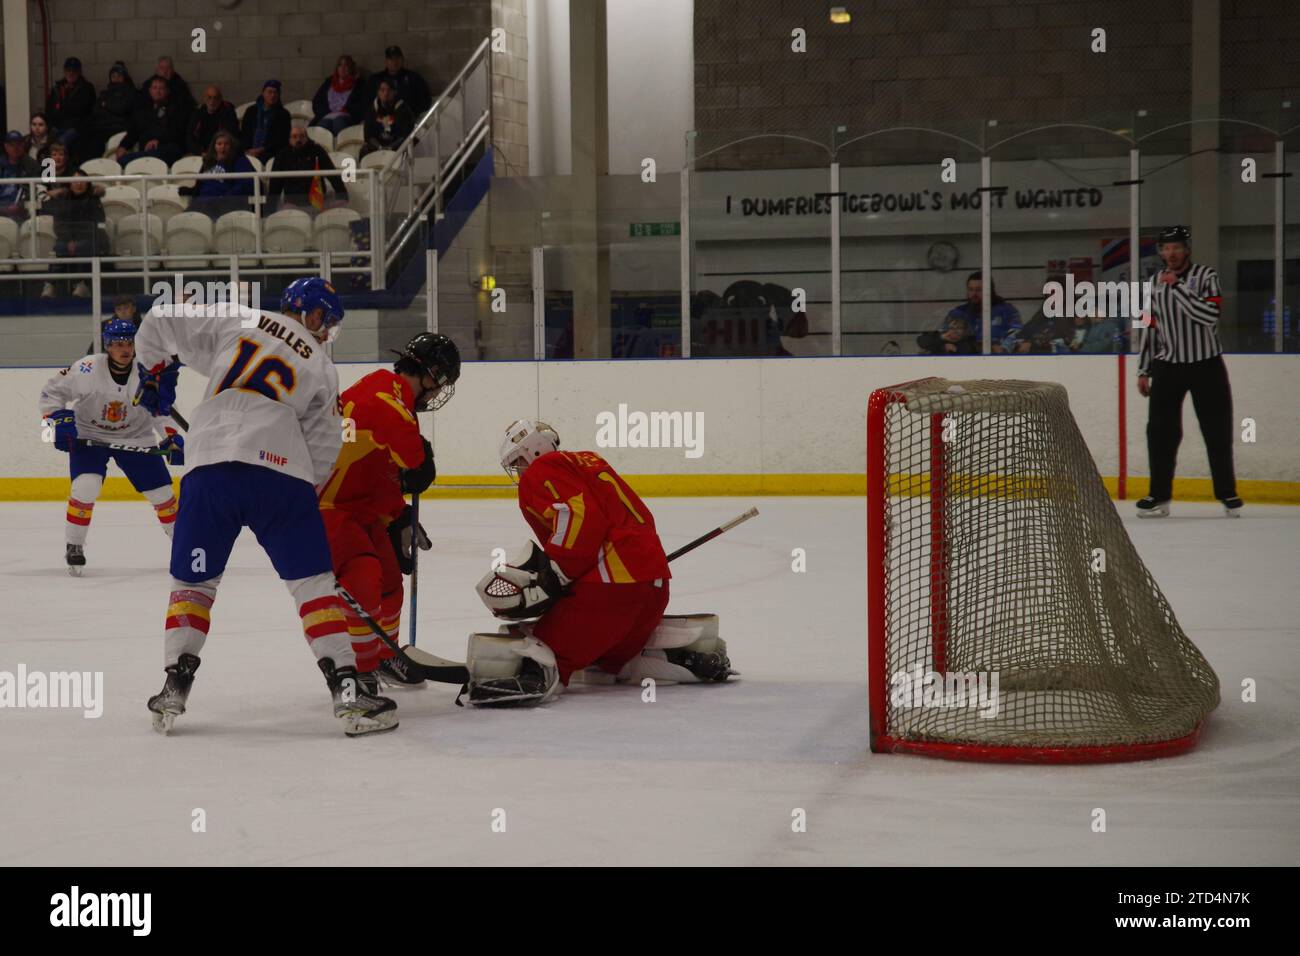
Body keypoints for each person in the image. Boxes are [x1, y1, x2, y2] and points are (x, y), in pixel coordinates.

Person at [134, 276, 398, 736]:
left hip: (208, 465)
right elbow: (323, 445)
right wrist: (302, 499)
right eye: (327, 322)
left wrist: (155, 371)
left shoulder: (241, 318)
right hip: (281, 473)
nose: (325, 331)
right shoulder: (321, 363)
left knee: (192, 583)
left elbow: (159, 320)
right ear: (313, 314)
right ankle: (348, 693)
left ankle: (174, 684)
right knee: (313, 585)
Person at [465, 421, 734, 706]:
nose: (519, 470)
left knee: (541, 646)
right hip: (652, 590)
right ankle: (668, 656)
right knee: (605, 660)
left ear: (534, 450)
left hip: (611, 591)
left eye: (519, 460)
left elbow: (579, 515)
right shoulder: (589, 462)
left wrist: (558, 571)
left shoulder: (545, 468)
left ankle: (535, 675)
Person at [318, 332, 460, 692]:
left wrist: (396, 515)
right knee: (364, 582)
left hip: (361, 510)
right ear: (431, 376)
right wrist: (416, 461)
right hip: (329, 508)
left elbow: (380, 470)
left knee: (389, 586)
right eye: (441, 383)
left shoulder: (393, 397)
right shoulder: (385, 394)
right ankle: (358, 668)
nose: (438, 392)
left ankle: (384, 655)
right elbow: (409, 463)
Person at [37, 319, 182, 575]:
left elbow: (160, 411)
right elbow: (50, 395)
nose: (124, 349)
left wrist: (171, 436)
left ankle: (185, 547)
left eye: (129, 343)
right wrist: (54, 428)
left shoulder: (148, 371)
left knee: (162, 495)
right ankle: (75, 545)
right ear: (107, 346)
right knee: (86, 486)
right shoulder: (87, 368)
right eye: (117, 344)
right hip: (89, 434)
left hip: (135, 436)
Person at [1136, 225, 1241, 518]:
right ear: (1160, 252)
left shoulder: (1206, 276)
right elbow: (1148, 327)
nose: (1171, 253)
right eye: (1166, 248)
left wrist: (1178, 287)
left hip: (1206, 364)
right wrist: (1144, 369)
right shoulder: (1153, 283)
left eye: (1176, 247)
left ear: (1187, 249)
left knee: (1217, 430)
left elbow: (1209, 316)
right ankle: (1159, 496)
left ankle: (1227, 493)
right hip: (1168, 365)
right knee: (1160, 433)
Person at [43, 169, 108, 298]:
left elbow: (98, 223)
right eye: (75, 181)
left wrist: (76, 241)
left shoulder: (94, 200)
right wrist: (69, 240)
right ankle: (50, 284)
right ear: (70, 184)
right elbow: (59, 225)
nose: (79, 184)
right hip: (67, 239)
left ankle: (81, 284)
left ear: (87, 183)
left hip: (91, 238)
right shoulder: (63, 201)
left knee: (82, 247)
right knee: (60, 247)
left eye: (82, 181)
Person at [268, 125, 348, 211]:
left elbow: (332, 174)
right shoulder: (282, 155)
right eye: (294, 137)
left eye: (301, 136)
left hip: (318, 202)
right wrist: (270, 209)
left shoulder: (317, 150)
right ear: (289, 139)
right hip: (292, 204)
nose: (298, 140)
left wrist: (343, 197)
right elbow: (275, 184)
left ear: (307, 137)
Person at [179, 130, 255, 218]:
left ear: (231, 147)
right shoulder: (208, 162)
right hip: (201, 202)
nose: (223, 147)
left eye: (226, 144)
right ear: (214, 146)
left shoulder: (239, 160)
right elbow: (200, 185)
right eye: (219, 144)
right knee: (182, 220)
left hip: (223, 205)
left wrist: (224, 198)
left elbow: (246, 184)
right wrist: (190, 191)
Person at [116, 76, 187, 167]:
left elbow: (177, 131)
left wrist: (158, 140)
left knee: (153, 156)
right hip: (146, 152)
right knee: (122, 160)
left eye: (161, 88)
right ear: (150, 90)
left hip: (168, 149)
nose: (158, 91)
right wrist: (123, 146)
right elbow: (133, 131)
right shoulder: (143, 110)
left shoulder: (176, 109)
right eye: (155, 88)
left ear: (167, 91)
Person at [45, 57, 95, 161]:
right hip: (57, 126)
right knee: (49, 146)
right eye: (68, 70)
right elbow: (49, 110)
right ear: (64, 71)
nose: (71, 74)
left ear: (79, 72)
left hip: (76, 128)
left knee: (61, 145)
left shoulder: (86, 88)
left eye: (74, 71)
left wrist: (64, 102)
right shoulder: (57, 89)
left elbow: (83, 111)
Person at [85, 61, 136, 160]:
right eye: (113, 75)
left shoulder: (131, 92)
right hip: (103, 127)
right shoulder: (105, 93)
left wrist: (107, 105)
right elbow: (96, 110)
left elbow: (122, 108)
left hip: (120, 127)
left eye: (119, 75)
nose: (116, 78)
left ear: (124, 76)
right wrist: (111, 107)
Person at [364, 46, 432, 118]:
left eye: (398, 58)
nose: (395, 62)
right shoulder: (375, 79)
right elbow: (367, 102)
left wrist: (411, 112)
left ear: (402, 60)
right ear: (386, 61)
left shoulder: (413, 78)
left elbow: (425, 100)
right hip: (382, 121)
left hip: (408, 121)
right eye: (391, 59)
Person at [311, 55, 366, 135]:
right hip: (328, 115)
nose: (343, 68)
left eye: (346, 65)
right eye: (340, 65)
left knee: (339, 122)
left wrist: (347, 111)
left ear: (351, 68)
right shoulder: (329, 81)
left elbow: (363, 104)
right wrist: (326, 113)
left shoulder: (359, 84)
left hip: (347, 116)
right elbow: (317, 102)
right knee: (323, 125)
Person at [239, 79, 291, 163]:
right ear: (263, 93)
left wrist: (261, 150)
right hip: (249, 151)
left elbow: (281, 139)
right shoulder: (251, 111)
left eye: (275, 92)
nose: (272, 95)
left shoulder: (283, 115)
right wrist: (247, 150)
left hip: (271, 154)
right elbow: (245, 133)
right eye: (269, 92)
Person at [361, 78, 414, 157]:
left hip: (398, 146)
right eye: (382, 90)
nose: (386, 93)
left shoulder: (404, 110)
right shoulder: (372, 110)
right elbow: (369, 135)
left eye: (389, 90)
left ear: (394, 92)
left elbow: (405, 135)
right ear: (378, 93)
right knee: (364, 150)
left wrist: (390, 148)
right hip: (378, 146)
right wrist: (380, 147)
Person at [185, 85, 238, 157]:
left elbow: (230, 136)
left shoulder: (228, 113)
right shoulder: (198, 113)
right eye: (209, 97)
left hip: (220, 151)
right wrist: (200, 152)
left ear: (220, 99)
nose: (212, 101)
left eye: (215, 98)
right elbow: (190, 136)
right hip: (201, 152)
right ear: (204, 98)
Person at [0, 130, 40, 221]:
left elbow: (33, 191)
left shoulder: (32, 165)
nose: (15, 148)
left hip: (20, 213)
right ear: (6, 146)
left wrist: (21, 206)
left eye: (18, 144)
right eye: (12, 145)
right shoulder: (1, 163)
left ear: (23, 146)